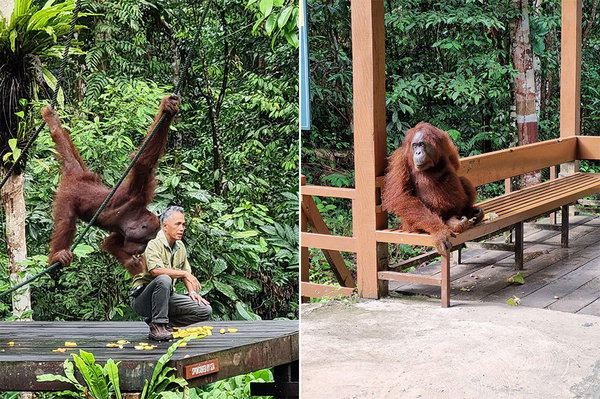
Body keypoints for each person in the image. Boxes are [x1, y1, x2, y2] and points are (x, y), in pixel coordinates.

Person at [130, 205, 212, 341]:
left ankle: (163, 324)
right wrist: (184, 274)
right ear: (165, 226)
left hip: (166, 298)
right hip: (143, 299)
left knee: (205, 310)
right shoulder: (153, 242)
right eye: (178, 224)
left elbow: (186, 271)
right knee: (164, 279)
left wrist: (192, 292)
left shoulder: (180, 246)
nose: (182, 228)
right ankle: (158, 325)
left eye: (183, 225)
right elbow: (156, 271)